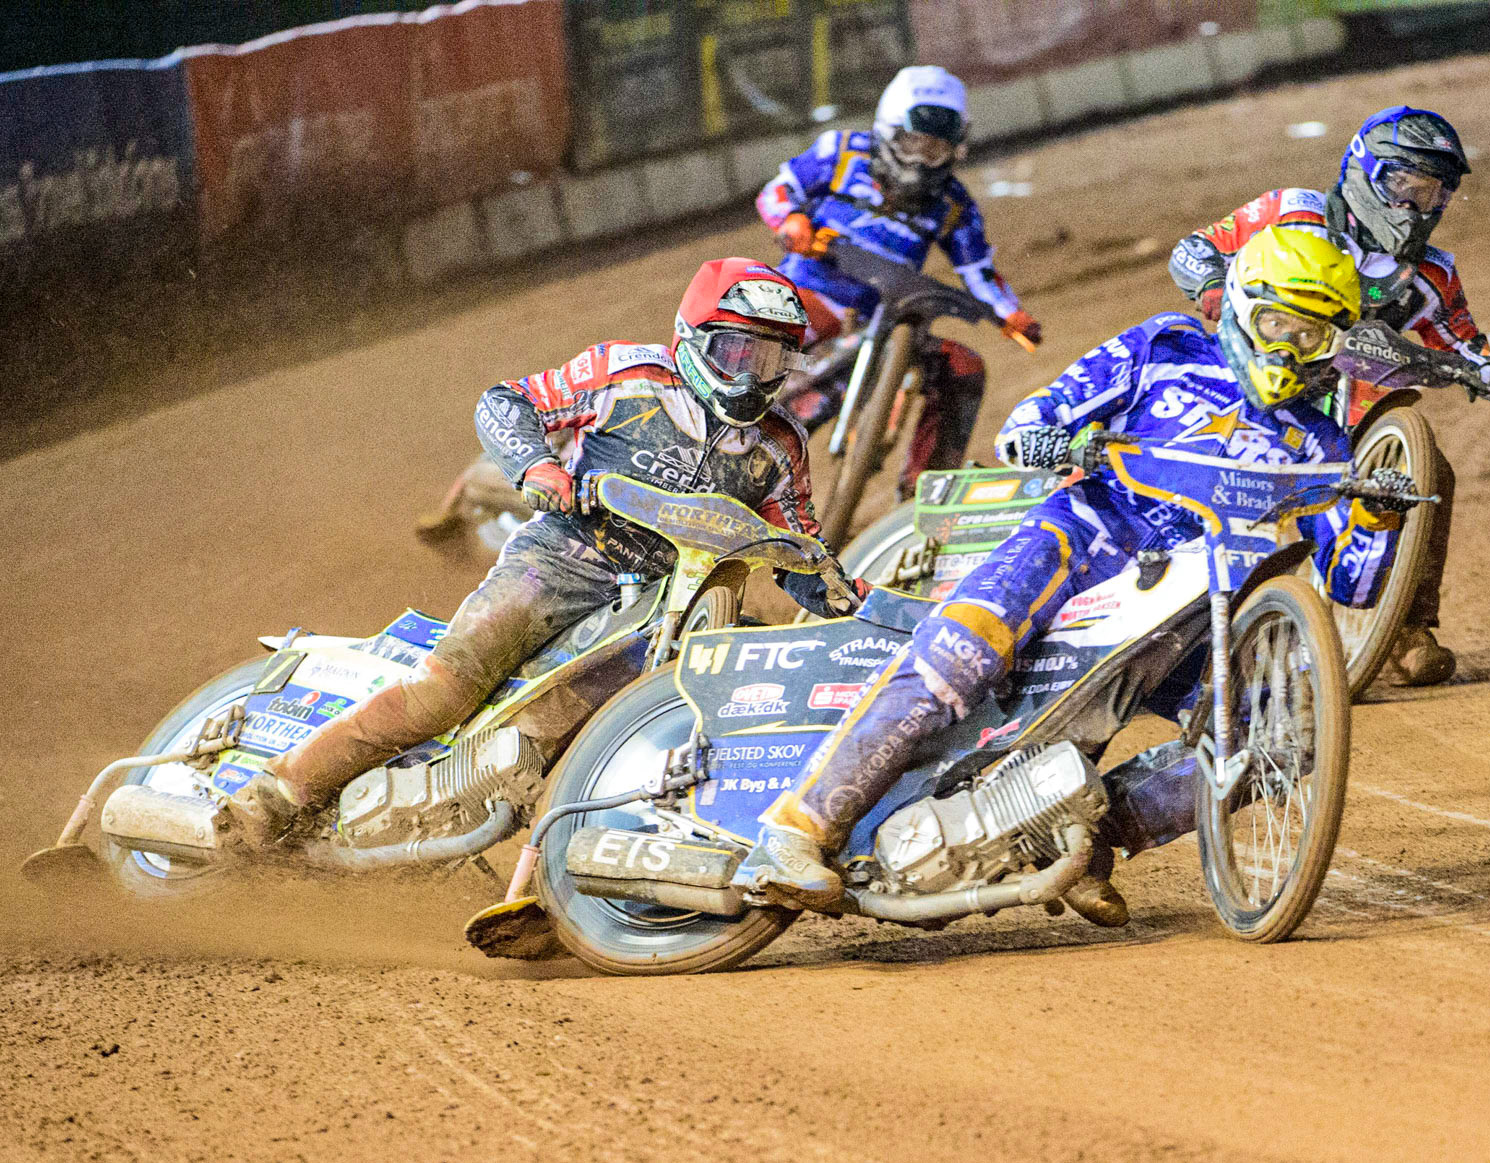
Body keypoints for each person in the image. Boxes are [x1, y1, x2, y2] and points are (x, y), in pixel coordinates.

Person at [737, 227, 1407, 913]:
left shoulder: (1324, 445)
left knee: (1289, 733)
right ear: (1241, 304)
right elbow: (1030, 422)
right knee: (957, 657)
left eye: (1313, 335)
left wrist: (1379, 516)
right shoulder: (1165, 348)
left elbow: (1353, 584)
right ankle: (796, 830)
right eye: (1279, 324)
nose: (1290, 348)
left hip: (1194, 617)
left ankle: (1083, 840)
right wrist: (1055, 439)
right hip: (1082, 542)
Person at [222, 258, 862, 846]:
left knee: (573, 741)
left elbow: (798, 545)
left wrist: (853, 603)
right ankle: (274, 796)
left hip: (668, 609)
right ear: (692, 339)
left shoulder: (781, 445)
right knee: (444, 694)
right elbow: (507, 401)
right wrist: (536, 468)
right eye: (737, 352)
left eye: (772, 359)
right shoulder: (628, 373)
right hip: (559, 562)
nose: (752, 375)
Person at [1168, 105, 1490, 686]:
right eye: (1402, 185)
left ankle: (1407, 626)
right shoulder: (1291, 211)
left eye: (1430, 194)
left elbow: (1459, 336)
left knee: (1433, 476)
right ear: (1363, 170)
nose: (1413, 206)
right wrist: (1209, 286)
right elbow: (1194, 249)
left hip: (1334, 393)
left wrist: (1487, 367)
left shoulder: (1431, 273)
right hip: (1248, 364)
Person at [756, 65, 1042, 500]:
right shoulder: (841, 152)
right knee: (753, 349)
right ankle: (713, 436)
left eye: (936, 150)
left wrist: (1009, 312)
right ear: (887, 131)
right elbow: (778, 190)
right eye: (913, 145)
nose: (922, 161)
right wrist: (791, 220)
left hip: (885, 318)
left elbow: (978, 270)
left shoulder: (952, 204)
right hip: (810, 290)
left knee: (963, 367)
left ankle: (924, 498)